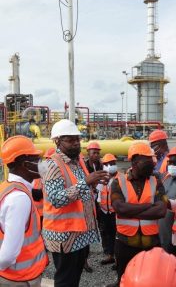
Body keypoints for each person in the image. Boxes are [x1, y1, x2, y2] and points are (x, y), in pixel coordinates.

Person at [42, 119, 109, 287]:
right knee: (66, 281)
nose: (75, 143)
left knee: (74, 279)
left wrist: (94, 183)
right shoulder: (52, 165)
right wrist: (86, 182)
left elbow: (79, 189)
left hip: (80, 234)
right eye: (70, 140)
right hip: (64, 236)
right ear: (57, 141)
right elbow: (56, 199)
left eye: (77, 139)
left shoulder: (78, 161)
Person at [107, 142, 167, 287]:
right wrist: (149, 206)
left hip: (151, 244)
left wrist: (131, 211)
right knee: (124, 279)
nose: (151, 164)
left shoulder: (156, 181)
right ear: (134, 161)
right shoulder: (118, 182)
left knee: (152, 280)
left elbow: (161, 210)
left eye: (151, 161)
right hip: (125, 244)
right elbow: (120, 209)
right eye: (147, 161)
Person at [0, 135, 48, 286]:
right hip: (19, 279)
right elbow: (8, 255)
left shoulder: (7, 186)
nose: (41, 163)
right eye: (36, 158)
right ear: (24, 164)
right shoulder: (19, 198)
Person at [84, 141, 103, 272]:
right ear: (88, 153)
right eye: (94, 153)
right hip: (86, 201)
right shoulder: (83, 166)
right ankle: (84, 260)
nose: (96, 155)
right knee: (85, 230)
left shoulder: (100, 165)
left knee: (96, 227)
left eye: (98, 153)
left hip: (98, 200)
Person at [96, 154, 117, 266]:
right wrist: (100, 208)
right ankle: (109, 255)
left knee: (116, 235)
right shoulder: (101, 179)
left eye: (112, 164)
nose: (110, 166)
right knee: (106, 234)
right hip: (104, 212)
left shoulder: (120, 178)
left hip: (115, 213)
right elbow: (99, 195)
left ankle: (117, 257)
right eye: (107, 164)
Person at [159, 147, 176, 254]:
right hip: (164, 225)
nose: (171, 166)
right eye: (169, 163)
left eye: (175, 163)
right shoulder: (165, 176)